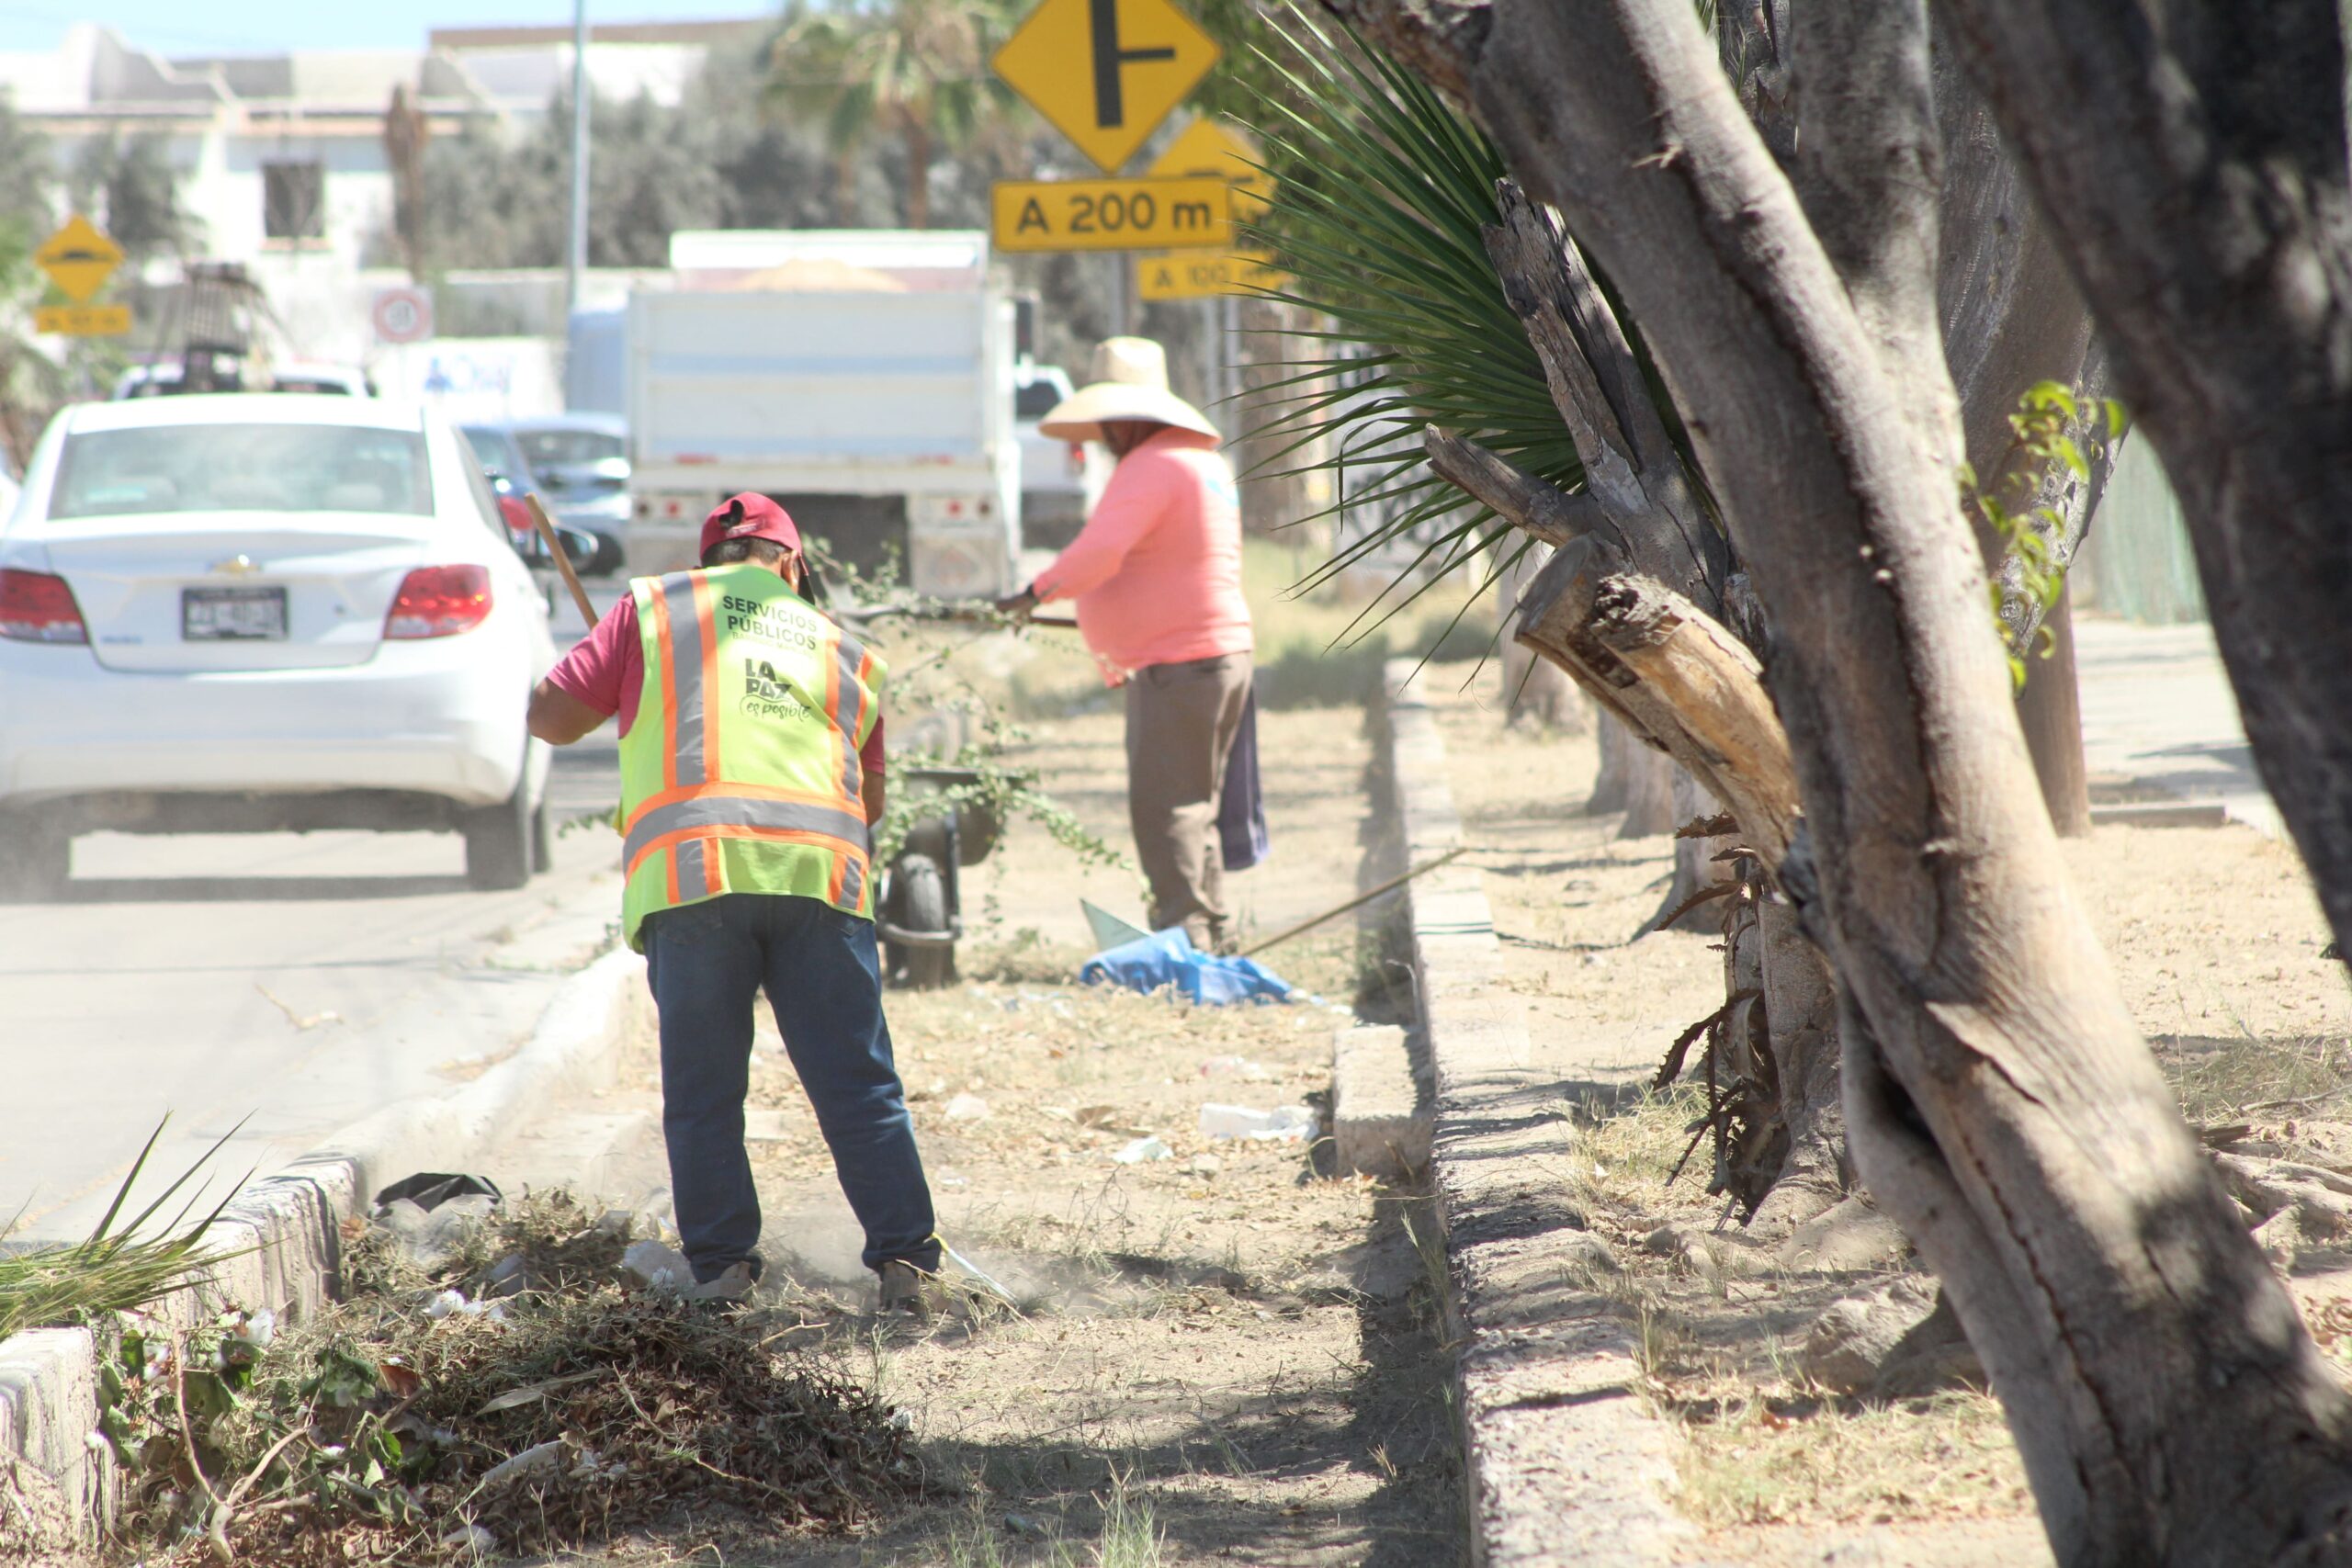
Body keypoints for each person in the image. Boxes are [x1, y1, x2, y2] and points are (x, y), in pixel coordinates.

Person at [526, 493, 939, 1313]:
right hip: (821, 881)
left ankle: (723, 1273)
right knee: (858, 1084)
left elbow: (550, 717)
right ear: (791, 565)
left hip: (695, 880)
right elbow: (871, 798)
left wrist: (625, 702)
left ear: (710, 559)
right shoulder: (848, 648)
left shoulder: (653, 607)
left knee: (705, 1091)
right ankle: (907, 1266)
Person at [997, 337, 1257, 951]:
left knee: (1166, 810)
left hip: (1179, 663)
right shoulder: (1203, 463)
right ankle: (1209, 932)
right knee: (1197, 805)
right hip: (1220, 657)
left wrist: (1034, 591)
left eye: (1112, 418)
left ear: (1137, 416)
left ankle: (1186, 939)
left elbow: (1099, 554)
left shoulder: (1153, 465)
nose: (1106, 433)